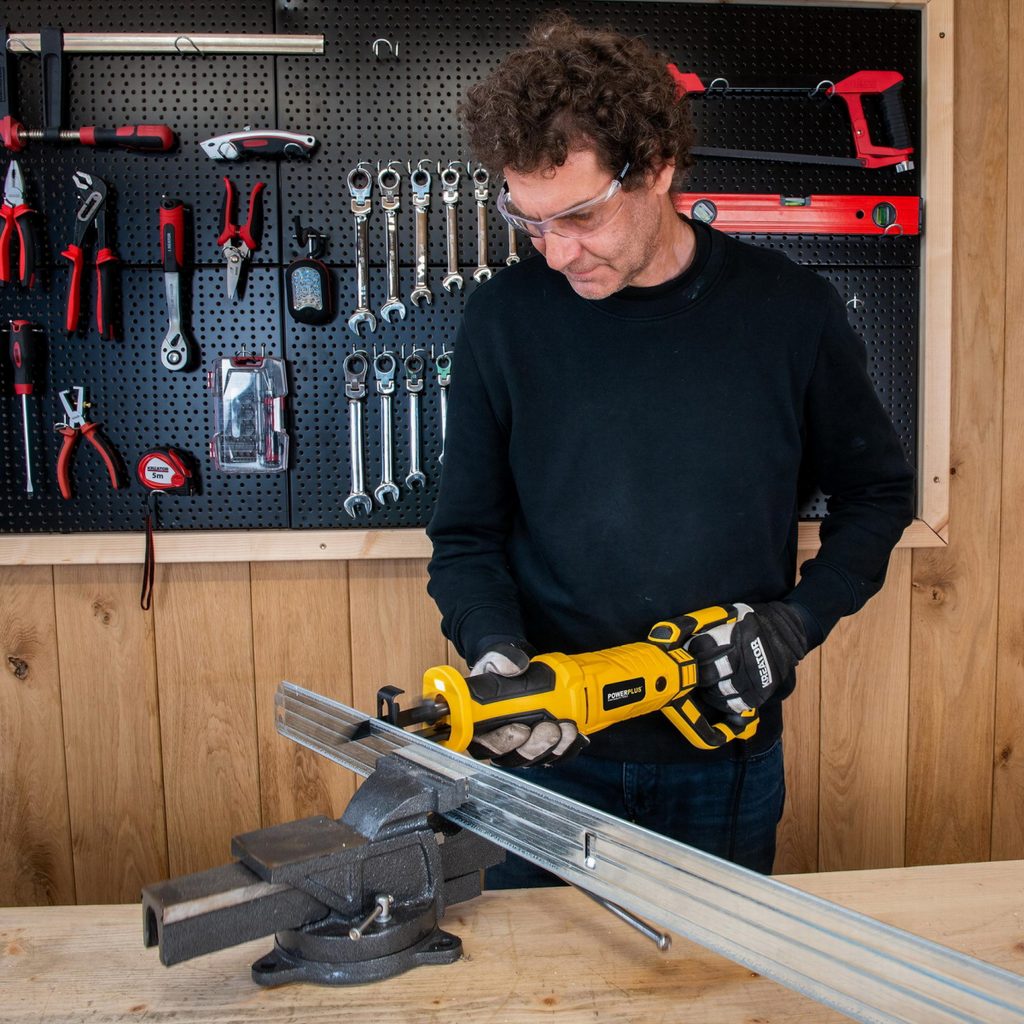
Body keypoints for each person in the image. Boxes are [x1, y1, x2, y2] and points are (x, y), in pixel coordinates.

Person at [425, 14, 915, 885]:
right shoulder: (504, 320)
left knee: (711, 972)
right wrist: (495, 655)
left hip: (722, 761)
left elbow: (878, 496)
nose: (556, 252)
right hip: (548, 763)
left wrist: (795, 625)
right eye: (529, 221)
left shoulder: (790, 313)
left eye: (580, 216)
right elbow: (465, 537)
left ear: (655, 167)